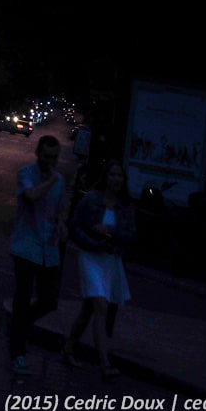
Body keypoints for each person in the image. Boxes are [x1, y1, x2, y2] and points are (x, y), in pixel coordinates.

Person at [62, 159, 136, 379]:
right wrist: (92, 241)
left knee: (89, 308)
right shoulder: (91, 199)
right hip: (91, 257)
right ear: (106, 177)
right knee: (100, 306)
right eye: (112, 175)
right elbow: (75, 226)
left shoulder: (125, 205)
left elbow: (131, 235)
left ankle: (68, 348)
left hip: (110, 259)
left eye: (119, 176)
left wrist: (110, 232)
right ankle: (104, 364)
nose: (116, 179)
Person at [8, 134, 68, 376]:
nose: (49, 162)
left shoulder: (59, 180)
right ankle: (18, 352)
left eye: (53, 158)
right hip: (25, 246)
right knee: (22, 298)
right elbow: (31, 196)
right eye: (45, 157)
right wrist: (51, 181)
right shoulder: (26, 173)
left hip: (48, 249)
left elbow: (58, 210)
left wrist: (62, 224)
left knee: (49, 300)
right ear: (37, 153)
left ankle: (17, 327)